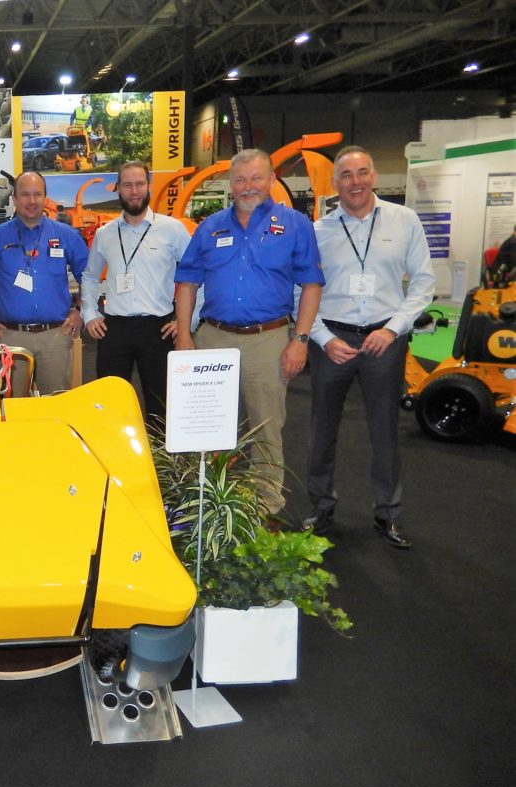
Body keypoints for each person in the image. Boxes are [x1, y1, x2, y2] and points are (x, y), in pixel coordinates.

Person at [174, 148, 323, 523]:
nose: (248, 186)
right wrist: (184, 336)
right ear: (230, 185)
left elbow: (311, 284)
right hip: (212, 338)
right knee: (205, 427)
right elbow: (187, 281)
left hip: (268, 340)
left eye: (256, 178)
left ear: (272, 180)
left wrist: (300, 339)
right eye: (240, 180)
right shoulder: (210, 227)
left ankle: (264, 510)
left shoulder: (294, 225)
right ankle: (205, 504)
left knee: (266, 426)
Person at [304, 145, 435, 549]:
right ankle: (321, 508)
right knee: (321, 431)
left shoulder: (405, 220)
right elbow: (300, 292)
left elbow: (424, 283)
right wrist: (324, 339)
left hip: (385, 340)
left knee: (385, 432)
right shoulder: (318, 231)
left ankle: (387, 514)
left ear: (374, 175)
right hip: (332, 342)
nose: (355, 181)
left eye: (362, 172)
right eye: (346, 175)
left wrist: (393, 329)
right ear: (335, 182)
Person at [81, 161, 192, 426]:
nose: (134, 191)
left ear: (149, 186)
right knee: (109, 405)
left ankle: (160, 467)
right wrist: (89, 313)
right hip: (114, 329)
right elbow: (89, 276)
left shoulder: (172, 230)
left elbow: (196, 277)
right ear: (118, 189)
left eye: (139, 184)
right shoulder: (105, 234)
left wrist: (185, 322)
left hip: (159, 328)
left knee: (160, 406)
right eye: (127, 185)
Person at [0, 171, 88, 394]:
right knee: (13, 409)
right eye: (25, 194)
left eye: (37, 194)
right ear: (15, 199)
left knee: (55, 408)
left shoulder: (67, 236)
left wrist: (80, 310)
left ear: (45, 197)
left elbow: (89, 277)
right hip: (10, 337)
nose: (31, 201)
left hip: (55, 337)